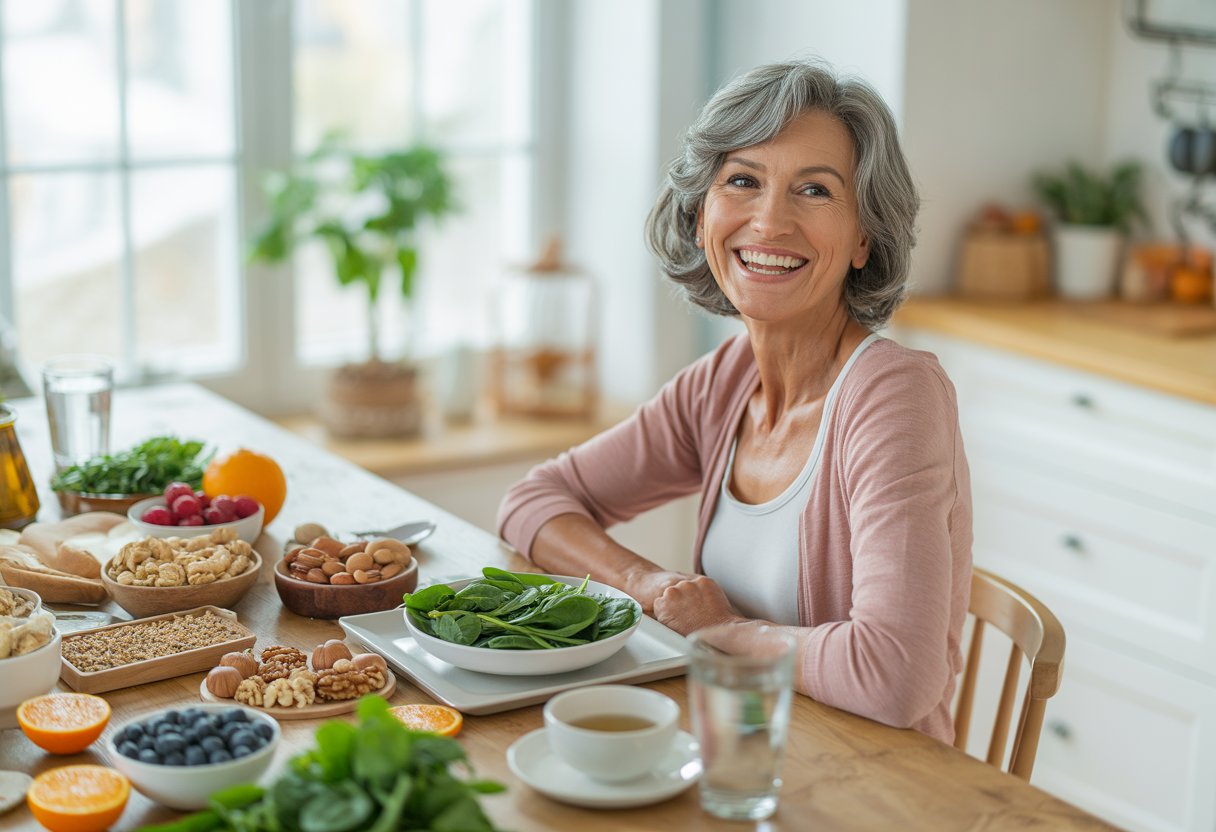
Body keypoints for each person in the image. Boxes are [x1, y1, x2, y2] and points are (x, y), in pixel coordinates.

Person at [497, 59, 972, 743]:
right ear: (699, 216)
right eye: (743, 181)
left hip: (872, 788)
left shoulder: (895, 397)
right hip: (731, 753)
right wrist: (654, 585)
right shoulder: (725, 381)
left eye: (814, 190)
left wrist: (722, 630)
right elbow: (533, 502)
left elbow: (895, 675)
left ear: (864, 237)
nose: (770, 220)